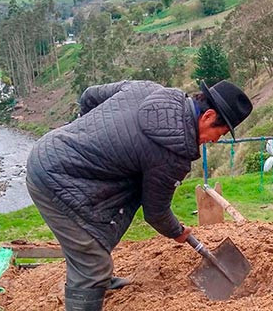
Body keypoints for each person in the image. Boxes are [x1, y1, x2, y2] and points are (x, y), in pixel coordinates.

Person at [26, 80, 252, 311]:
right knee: (92, 262)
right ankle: (92, 282)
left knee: (101, 232)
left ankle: (100, 282)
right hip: (54, 178)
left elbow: (89, 96)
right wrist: (177, 231)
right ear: (207, 116)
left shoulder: (148, 89)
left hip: (54, 150)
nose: (215, 141)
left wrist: (86, 129)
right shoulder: (173, 155)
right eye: (219, 133)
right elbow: (155, 213)